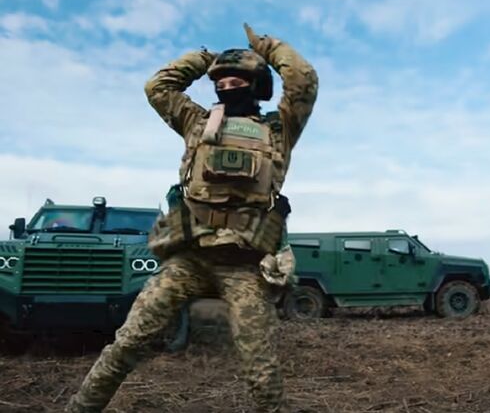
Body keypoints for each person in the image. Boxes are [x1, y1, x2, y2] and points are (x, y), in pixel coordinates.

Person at [65, 23, 318, 413]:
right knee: (128, 342)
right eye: (221, 81)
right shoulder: (196, 122)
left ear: (256, 85)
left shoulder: (279, 130)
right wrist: (203, 58)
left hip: (245, 266)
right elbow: (158, 88)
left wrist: (267, 46)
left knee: (261, 367)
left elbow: (303, 80)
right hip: (189, 259)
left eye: (238, 79)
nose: (228, 86)